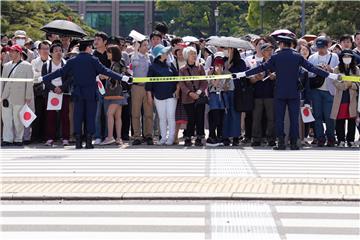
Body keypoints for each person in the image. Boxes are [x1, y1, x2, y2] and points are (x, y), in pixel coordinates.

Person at [233, 35, 340, 150]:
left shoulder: (276, 57)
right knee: (294, 119)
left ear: (282, 44)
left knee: (279, 118)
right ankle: (294, 142)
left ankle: (281, 142)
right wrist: (331, 75)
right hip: (294, 92)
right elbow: (312, 68)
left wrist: (242, 74)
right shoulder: (297, 56)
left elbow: (261, 68)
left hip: (280, 92)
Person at [38, 39, 132, 149]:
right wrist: (124, 78)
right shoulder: (93, 60)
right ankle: (88, 141)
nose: (92, 49)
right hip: (91, 93)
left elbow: (60, 72)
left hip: (78, 93)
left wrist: (42, 78)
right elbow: (106, 71)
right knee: (90, 116)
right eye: (91, 47)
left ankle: (78, 141)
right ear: (87, 48)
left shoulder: (73, 61)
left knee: (78, 116)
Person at [308, 36, 339, 147]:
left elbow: (338, 73)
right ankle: (320, 138)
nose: (320, 50)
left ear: (328, 46)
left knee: (329, 116)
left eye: (323, 47)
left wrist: (330, 69)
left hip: (329, 90)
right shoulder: (312, 58)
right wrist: (317, 70)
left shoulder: (334, 56)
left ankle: (331, 138)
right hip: (316, 90)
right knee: (317, 115)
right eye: (318, 47)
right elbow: (308, 73)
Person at [1, 44, 34, 146]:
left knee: (18, 118)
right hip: (7, 94)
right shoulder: (6, 66)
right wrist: (1, 95)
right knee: (6, 118)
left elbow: (29, 82)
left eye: (13, 51)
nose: (10, 53)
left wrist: (28, 96)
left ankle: (18, 139)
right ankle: (7, 139)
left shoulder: (27, 66)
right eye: (10, 51)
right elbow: (2, 81)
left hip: (20, 95)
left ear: (19, 53)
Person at [145, 44, 178, 145]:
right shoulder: (152, 67)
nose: (167, 54)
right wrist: (149, 96)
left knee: (171, 116)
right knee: (162, 118)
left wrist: (177, 90)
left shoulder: (170, 64)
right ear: (160, 54)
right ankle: (163, 138)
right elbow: (149, 83)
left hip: (171, 95)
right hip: (158, 95)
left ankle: (171, 138)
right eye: (165, 52)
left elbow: (178, 78)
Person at [101, 45, 130, 145]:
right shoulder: (119, 63)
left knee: (109, 114)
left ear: (114, 53)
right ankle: (118, 138)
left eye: (109, 52)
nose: (107, 54)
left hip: (116, 93)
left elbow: (116, 78)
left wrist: (105, 76)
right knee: (118, 116)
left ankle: (110, 137)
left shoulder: (116, 64)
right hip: (121, 93)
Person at [42, 43, 70, 146]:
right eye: (56, 51)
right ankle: (50, 138)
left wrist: (62, 88)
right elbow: (44, 79)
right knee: (50, 116)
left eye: (60, 50)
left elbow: (69, 79)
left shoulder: (66, 64)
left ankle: (65, 138)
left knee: (65, 116)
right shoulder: (46, 65)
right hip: (51, 93)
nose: (58, 53)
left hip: (64, 93)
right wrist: (54, 88)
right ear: (51, 53)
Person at [179, 46, 208, 146]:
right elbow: (181, 84)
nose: (194, 56)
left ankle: (199, 138)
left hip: (199, 97)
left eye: (195, 53)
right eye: (192, 54)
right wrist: (190, 93)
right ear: (187, 56)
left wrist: (199, 92)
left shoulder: (200, 67)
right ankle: (188, 137)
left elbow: (204, 82)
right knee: (190, 118)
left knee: (200, 118)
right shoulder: (182, 69)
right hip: (187, 97)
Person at [331, 50, 359, 147]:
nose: (347, 58)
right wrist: (346, 85)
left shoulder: (356, 69)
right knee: (340, 120)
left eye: (349, 56)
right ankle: (340, 140)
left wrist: (353, 85)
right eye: (345, 56)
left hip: (352, 98)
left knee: (352, 120)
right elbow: (335, 82)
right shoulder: (337, 69)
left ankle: (350, 140)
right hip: (340, 98)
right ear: (341, 58)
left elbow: (359, 83)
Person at [249, 43, 276, 147]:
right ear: (262, 52)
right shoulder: (257, 64)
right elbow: (250, 80)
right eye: (267, 50)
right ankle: (256, 139)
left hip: (271, 94)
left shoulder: (275, 64)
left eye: (271, 50)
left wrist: (275, 76)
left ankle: (271, 139)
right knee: (256, 118)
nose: (270, 52)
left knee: (271, 118)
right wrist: (256, 78)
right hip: (258, 94)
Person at [131, 39, 154, 145]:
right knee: (136, 113)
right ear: (139, 47)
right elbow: (134, 65)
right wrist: (135, 50)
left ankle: (148, 135)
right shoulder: (134, 56)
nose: (146, 47)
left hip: (148, 87)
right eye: (144, 45)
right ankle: (137, 136)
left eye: (147, 45)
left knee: (148, 113)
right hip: (137, 87)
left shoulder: (149, 57)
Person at [30, 41, 51, 143]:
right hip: (37, 91)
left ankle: (47, 136)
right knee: (37, 113)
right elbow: (33, 76)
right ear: (38, 50)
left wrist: (40, 75)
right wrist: (44, 76)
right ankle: (35, 136)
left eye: (47, 49)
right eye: (43, 49)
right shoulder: (34, 62)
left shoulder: (52, 61)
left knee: (48, 115)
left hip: (50, 91)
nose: (45, 51)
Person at [222, 47, 244, 146]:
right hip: (224, 90)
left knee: (235, 114)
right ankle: (225, 136)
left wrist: (231, 68)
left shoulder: (240, 62)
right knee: (226, 114)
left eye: (230, 49)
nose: (227, 51)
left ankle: (235, 137)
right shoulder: (222, 61)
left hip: (236, 91)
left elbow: (242, 74)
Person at [93, 32, 111, 145]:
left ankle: (108, 136)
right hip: (97, 86)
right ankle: (98, 135)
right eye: (95, 39)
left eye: (98, 39)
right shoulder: (93, 55)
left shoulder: (110, 54)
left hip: (109, 86)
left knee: (108, 112)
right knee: (97, 112)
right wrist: (98, 76)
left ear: (105, 42)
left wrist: (107, 76)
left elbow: (114, 68)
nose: (96, 41)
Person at [206, 54, 228, 147]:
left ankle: (220, 136)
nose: (219, 67)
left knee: (221, 118)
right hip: (213, 98)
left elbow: (227, 88)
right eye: (217, 65)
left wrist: (225, 84)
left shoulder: (226, 74)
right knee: (214, 118)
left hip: (222, 98)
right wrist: (217, 76)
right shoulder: (210, 74)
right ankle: (211, 137)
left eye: (221, 65)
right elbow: (213, 85)